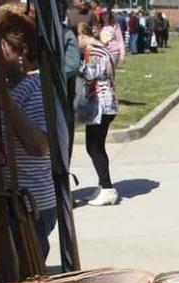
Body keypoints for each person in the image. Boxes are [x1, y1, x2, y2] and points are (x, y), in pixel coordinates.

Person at [0, 3, 56, 258]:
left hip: (31, 206)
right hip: (16, 203)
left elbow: (39, 146)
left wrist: (5, 103)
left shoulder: (35, 87)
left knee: (29, 276)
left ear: (19, 50)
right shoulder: (14, 87)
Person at [77, 23, 119, 206]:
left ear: (81, 35)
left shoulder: (93, 52)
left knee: (94, 147)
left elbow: (89, 74)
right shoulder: (104, 50)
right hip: (107, 101)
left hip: (100, 104)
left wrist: (75, 67)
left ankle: (108, 188)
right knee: (96, 146)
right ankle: (104, 185)